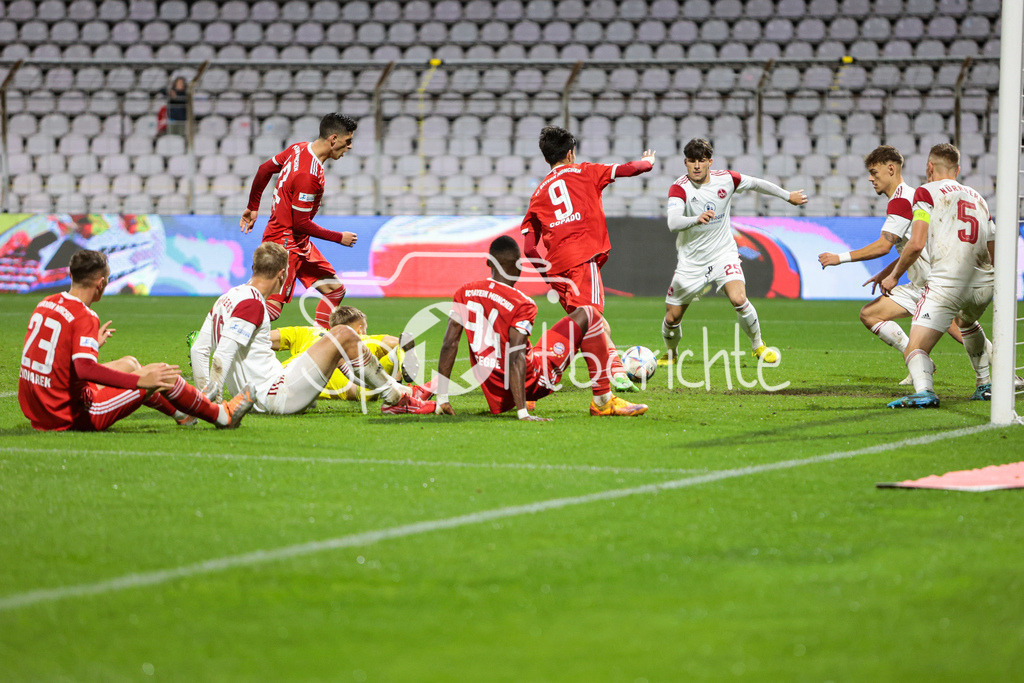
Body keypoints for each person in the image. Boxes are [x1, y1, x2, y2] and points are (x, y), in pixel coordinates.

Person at [18, 249, 254, 431]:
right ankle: (222, 416)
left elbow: (53, 352)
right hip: (71, 413)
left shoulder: (46, 302)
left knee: (130, 363)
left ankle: (185, 414)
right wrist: (140, 381)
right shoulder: (85, 315)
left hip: (42, 407)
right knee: (160, 374)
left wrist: (92, 345)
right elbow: (84, 368)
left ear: (71, 275)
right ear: (101, 283)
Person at [191, 242, 434, 415]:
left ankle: (403, 391)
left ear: (254, 267)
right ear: (283, 273)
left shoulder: (226, 299)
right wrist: (215, 407)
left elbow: (199, 351)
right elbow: (221, 357)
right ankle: (395, 400)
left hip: (265, 390)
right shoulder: (253, 304)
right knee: (344, 334)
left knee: (323, 344)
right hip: (274, 395)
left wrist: (202, 400)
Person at [435, 236, 648, 420]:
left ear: (489, 263)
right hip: (533, 382)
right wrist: (522, 413)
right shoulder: (522, 302)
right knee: (589, 314)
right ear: (519, 266)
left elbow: (449, 343)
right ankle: (602, 401)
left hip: (496, 387)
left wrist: (442, 398)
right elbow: (516, 355)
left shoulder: (465, 293)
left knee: (537, 347)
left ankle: (524, 400)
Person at [818, 145, 975, 384]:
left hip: (934, 284)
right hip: (922, 283)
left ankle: (1003, 372)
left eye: (874, 172)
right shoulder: (909, 196)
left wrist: (839, 258)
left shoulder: (901, 201)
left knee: (963, 332)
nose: (871, 178)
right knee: (871, 315)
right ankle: (921, 365)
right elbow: (911, 247)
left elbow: (884, 245)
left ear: (890, 169)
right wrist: (885, 272)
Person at [520, 125, 655, 395]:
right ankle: (607, 377)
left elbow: (529, 249)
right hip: (582, 260)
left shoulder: (538, 194)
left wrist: (548, 276)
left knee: (585, 325)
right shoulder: (586, 171)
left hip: (557, 268)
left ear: (547, 158)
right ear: (570, 153)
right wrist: (648, 162)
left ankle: (597, 368)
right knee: (593, 320)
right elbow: (630, 169)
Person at [659, 138, 807, 365]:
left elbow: (757, 183)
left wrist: (787, 196)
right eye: (691, 161)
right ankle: (671, 353)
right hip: (691, 262)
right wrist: (696, 219)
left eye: (701, 161)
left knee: (739, 298)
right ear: (685, 163)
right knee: (672, 317)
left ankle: (758, 346)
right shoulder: (680, 188)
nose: (696, 166)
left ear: (710, 162)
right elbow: (673, 222)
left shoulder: (727, 179)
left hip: (723, 254)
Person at [881, 144, 995, 408]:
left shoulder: (925, 191)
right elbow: (991, 242)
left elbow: (916, 242)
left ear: (930, 168)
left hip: (947, 283)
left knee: (915, 347)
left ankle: (924, 392)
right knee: (967, 324)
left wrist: (894, 275)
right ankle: (985, 384)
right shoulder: (979, 197)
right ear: (958, 170)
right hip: (983, 283)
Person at [240, 113, 359, 328]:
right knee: (271, 308)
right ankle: (220, 326)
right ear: (333, 139)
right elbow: (300, 223)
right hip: (284, 242)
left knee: (334, 290)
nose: (349, 147)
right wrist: (338, 237)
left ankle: (317, 344)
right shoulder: (309, 175)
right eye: (347, 141)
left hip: (299, 241)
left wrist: (252, 206)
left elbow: (264, 169)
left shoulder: (299, 148)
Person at [272, 305, 427, 402]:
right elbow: (398, 342)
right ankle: (397, 381)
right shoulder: (363, 340)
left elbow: (264, 338)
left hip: (284, 375)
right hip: (345, 382)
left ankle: (398, 386)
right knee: (368, 388)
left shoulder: (307, 332)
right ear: (359, 329)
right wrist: (404, 358)